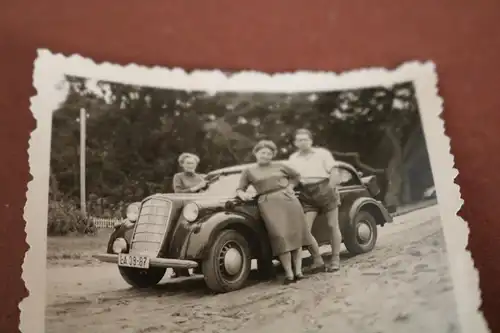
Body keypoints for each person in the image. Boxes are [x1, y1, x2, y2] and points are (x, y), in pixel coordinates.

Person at [236, 140, 311, 285]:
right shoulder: (249, 170)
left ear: (273, 155)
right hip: (268, 203)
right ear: (256, 153)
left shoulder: (281, 166)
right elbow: (240, 188)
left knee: (294, 234)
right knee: (280, 236)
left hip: (288, 200)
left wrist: (290, 186)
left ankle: (299, 272)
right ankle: (289, 274)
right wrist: (242, 194)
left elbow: (296, 176)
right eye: (262, 153)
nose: (266, 156)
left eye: (269, 153)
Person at [288, 128, 342, 273]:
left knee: (332, 225)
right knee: (305, 229)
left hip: (324, 187)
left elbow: (334, 171)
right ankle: (317, 259)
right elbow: (294, 178)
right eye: (299, 140)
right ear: (295, 143)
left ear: (311, 141)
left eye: (306, 139)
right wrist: (288, 189)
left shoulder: (322, 154)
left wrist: (331, 188)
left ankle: (335, 258)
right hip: (306, 192)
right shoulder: (293, 159)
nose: (303, 142)